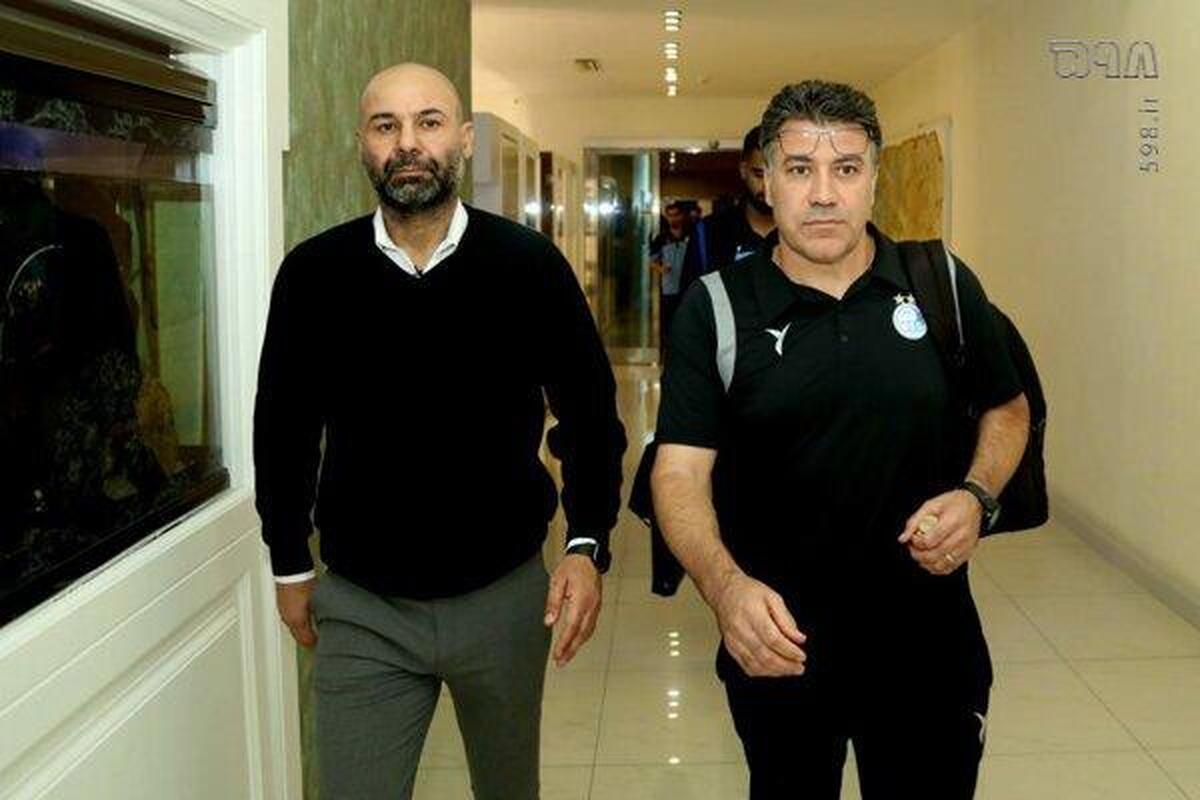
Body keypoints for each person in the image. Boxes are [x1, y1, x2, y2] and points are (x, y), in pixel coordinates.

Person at [254, 63, 626, 800]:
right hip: (362, 605)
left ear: (463, 138)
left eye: (428, 122)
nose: (407, 143)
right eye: (385, 125)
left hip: (504, 598)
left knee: (507, 789)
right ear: (362, 143)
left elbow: (589, 415)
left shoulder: (528, 267)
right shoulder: (314, 274)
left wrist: (586, 542)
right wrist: (290, 563)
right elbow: (284, 425)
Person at [650, 80, 1031, 799]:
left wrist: (976, 495)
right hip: (780, 647)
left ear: (874, 179)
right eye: (800, 169)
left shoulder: (941, 282)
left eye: (846, 168)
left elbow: (1007, 409)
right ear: (766, 180)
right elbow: (678, 473)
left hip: (929, 648)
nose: (824, 194)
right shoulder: (718, 308)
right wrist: (725, 590)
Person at [677, 125, 776, 292]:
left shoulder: (805, 232)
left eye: (775, 175)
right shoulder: (708, 233)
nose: (767, 186)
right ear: (743, 170)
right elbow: (690, 300)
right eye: (759, 174)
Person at [649, 200, 691, 359]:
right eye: (670, 215)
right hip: (669, 289)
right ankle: (667, 355)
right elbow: (651, 261)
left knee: (687, 323)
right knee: (668, 323)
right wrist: (661, 269)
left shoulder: (691, 235)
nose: (673, 219)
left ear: (682, 216)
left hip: (688, 288)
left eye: (676, 215)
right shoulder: (661, 238)